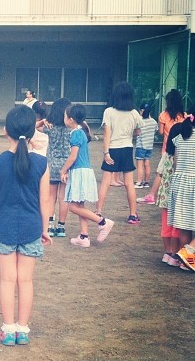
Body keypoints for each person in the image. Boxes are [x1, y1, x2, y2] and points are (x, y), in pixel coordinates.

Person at [0, 105, 51, 346]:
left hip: (3, 228)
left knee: (7, 280)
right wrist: (44, 229)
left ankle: (8, 330)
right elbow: (45, 201)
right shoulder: (42, 163)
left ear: (6, 131)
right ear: (32, 132)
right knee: (26, 281)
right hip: (31, 227)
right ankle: (23, 329)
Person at [60, 104, 114, 248]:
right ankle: (84, 236)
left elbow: (73, 156)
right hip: (83, 171)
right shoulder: (81, 131)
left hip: (79, 171)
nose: (64, 118)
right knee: (79, 204)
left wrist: (63, 170)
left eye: (65, 116)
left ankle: (102, 222)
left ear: (71, 119)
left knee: (72, 206)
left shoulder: (76, 133)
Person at [95, 82, 143, 224]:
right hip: (127, 148)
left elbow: (107, 133)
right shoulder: (134, 113)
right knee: (129, 183)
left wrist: (106, 152)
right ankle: (133, 214)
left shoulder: (109, 112)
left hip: (112, 149)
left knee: (105, 182)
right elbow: (138, 132)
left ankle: (98, 211)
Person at [138, 89, 186, 205]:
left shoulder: (163, 115)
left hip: (168, 149)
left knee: (161, 173)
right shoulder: (185, 116)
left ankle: (151, 195)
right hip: (181, 149)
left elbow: (160, 132)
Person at [167, 111, 195, 271]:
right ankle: (188, 252)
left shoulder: (182, 135)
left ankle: (187, 262)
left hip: (180, 182)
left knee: (185, 224)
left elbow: (176, 163)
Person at [156, 121, 184, 267]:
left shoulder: (167, 155)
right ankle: (175, 254)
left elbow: (159, 174)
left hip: (164, 196)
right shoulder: (182, 157)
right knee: (176, 227)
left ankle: (167, 252)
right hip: (176, 195)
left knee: (166, 226)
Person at [43, 97, 71, 238]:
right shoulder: (71, 129)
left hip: (52, 164)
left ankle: (49, 226)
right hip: (67, 166)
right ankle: (61, 227)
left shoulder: (50, 127)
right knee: (63, 197)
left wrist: (43, 121)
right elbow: (88, 133)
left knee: (50, 196)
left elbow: (34, 127)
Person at [134, 102, 157, 188]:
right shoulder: (154, 122)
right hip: (149, 146)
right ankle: (146, 182)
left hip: (141, 145)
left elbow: (136, 132)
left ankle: (139, 182)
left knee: (139, 164)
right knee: (147, 164)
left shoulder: (140, 121)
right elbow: (155, 131)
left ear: (141, 111)